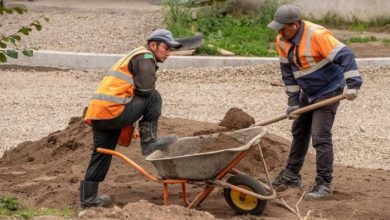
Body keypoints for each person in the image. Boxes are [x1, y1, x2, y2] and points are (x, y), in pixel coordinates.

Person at [267, 4, 362, 198]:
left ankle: (324, 184)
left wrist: (353, 84)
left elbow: (346, 55)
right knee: (300, 130)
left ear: (294, 25)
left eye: (283, 28)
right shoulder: (282, 40)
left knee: (320, 136)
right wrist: (293, 102)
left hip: (329, 90)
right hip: (308, 91)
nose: (280, 32)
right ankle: (292, 175)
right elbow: (288, 73)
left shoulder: (317, 35)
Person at [80, 29, 182, 208]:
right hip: (112, 112)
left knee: (101, 153)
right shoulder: (145, 56)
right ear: (153, 45)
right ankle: (149, 142)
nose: (168, 53)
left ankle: (88, 201)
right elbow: (145, 91)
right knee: (153, 97)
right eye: (166, 48)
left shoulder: (135, 54)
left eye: (170, 49)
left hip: (99, 114)